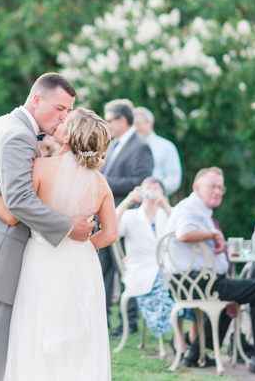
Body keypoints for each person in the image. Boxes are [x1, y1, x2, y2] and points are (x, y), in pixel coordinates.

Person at [0, 73, 97, 381]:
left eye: (68, 111)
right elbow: (19, 200)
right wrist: (68, 227)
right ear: (36, 100)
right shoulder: (19, 136)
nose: (64, 117)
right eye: (61, 109)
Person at [0, 107, 117, 380]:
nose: (59, 121)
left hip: (41, 259)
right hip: (82, 265)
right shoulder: (101, 183)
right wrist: (79, 248)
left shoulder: (41, 168)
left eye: (66, 121)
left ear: (69, 137)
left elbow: (12, 213)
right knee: (79, 337)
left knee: (37, 331)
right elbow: (110, 235)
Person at [166, 167, 255, 373]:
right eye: (212, 186)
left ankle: (195, 354)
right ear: (196, 187)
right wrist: (213, 233)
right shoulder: (191, 207)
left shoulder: (199, 209)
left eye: (221, 188)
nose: (217, 191)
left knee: (235, 297)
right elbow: (183, 233)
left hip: (193, 282)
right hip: (196, 282)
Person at [101, 99, 154, 335]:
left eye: (110, 119)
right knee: (104, 269)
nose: (107, 124)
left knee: (125, 270)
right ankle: (102, 320)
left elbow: (139, 182)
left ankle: (128, 323)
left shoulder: (140, 145)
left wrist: (102, 181)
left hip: (126, 218)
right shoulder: (115, 144)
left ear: (123, 120)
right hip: (108, 216)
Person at [115, 177, 180, 349]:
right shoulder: (130, 215)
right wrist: (128, 200)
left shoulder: (168, 213)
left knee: (174, 282)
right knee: (163, 284)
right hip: (140, 269)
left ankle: (178, 327)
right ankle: (175, 323)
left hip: (167, 267)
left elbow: (181, 231)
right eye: (148, 188)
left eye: (157, 189)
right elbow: (111, 229)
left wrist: (165, 204)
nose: (152, 191)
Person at [133, 107, 182, 196]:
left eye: (138, 124)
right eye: (133, 125)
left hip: (158, 201)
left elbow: (174, 178)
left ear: (149, 123)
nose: (135, 128)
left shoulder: (166, 147)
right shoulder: (127, 149)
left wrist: (153, 190)